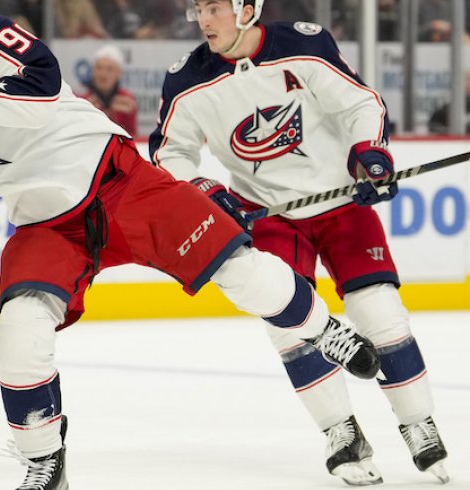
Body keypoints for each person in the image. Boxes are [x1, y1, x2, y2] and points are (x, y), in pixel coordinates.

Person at [0, 1, 381, 488]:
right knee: (19, 327)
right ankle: (43, 459)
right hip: (48, 226)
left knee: (244, 272)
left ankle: (321, 328)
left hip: (119, 182)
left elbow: (42, 78)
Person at [150, 0, 448, 485]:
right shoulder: (187, 78)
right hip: (269, 213)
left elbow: (359, 103)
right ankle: (342, 432)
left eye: (215, 8)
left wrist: (370, 152)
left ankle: (419, 423)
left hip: (341, 200)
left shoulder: (302, 45)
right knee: (288, 326)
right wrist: (205, 189)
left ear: (248, 8)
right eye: (198, 9)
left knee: (379, 310)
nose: (204, 20)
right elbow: (169, 152)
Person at [77, 44, 138, 137]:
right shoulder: (83, 102)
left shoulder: (128, 101)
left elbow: (133, 136)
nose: (103, 73)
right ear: (93, 71)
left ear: (119, 73)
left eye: (109, 69)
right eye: (99, 68)